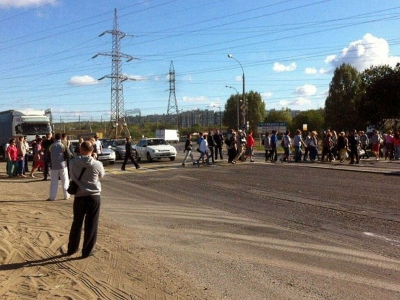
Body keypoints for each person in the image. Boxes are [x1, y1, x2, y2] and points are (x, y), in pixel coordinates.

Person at [66, 140, 105, 258]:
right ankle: (87, 251)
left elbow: (71, 175)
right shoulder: (97, 164)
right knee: (91, 223)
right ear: (92, 150)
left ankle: (72, 248)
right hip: (93, 196)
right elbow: (101, 175)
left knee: (77, 222)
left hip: (79, 195)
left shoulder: (73, 162)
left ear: (81, 149)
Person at [48, 133, 70, 201]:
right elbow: (68, 155)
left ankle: (52, 197)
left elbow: (47, 156)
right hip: (63, 165)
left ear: (55, 138)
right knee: (65, 181)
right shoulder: (63, 145)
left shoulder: (51, 146)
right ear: (61, 138)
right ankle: (66, 196)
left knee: (54, 181)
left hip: (53, 166)